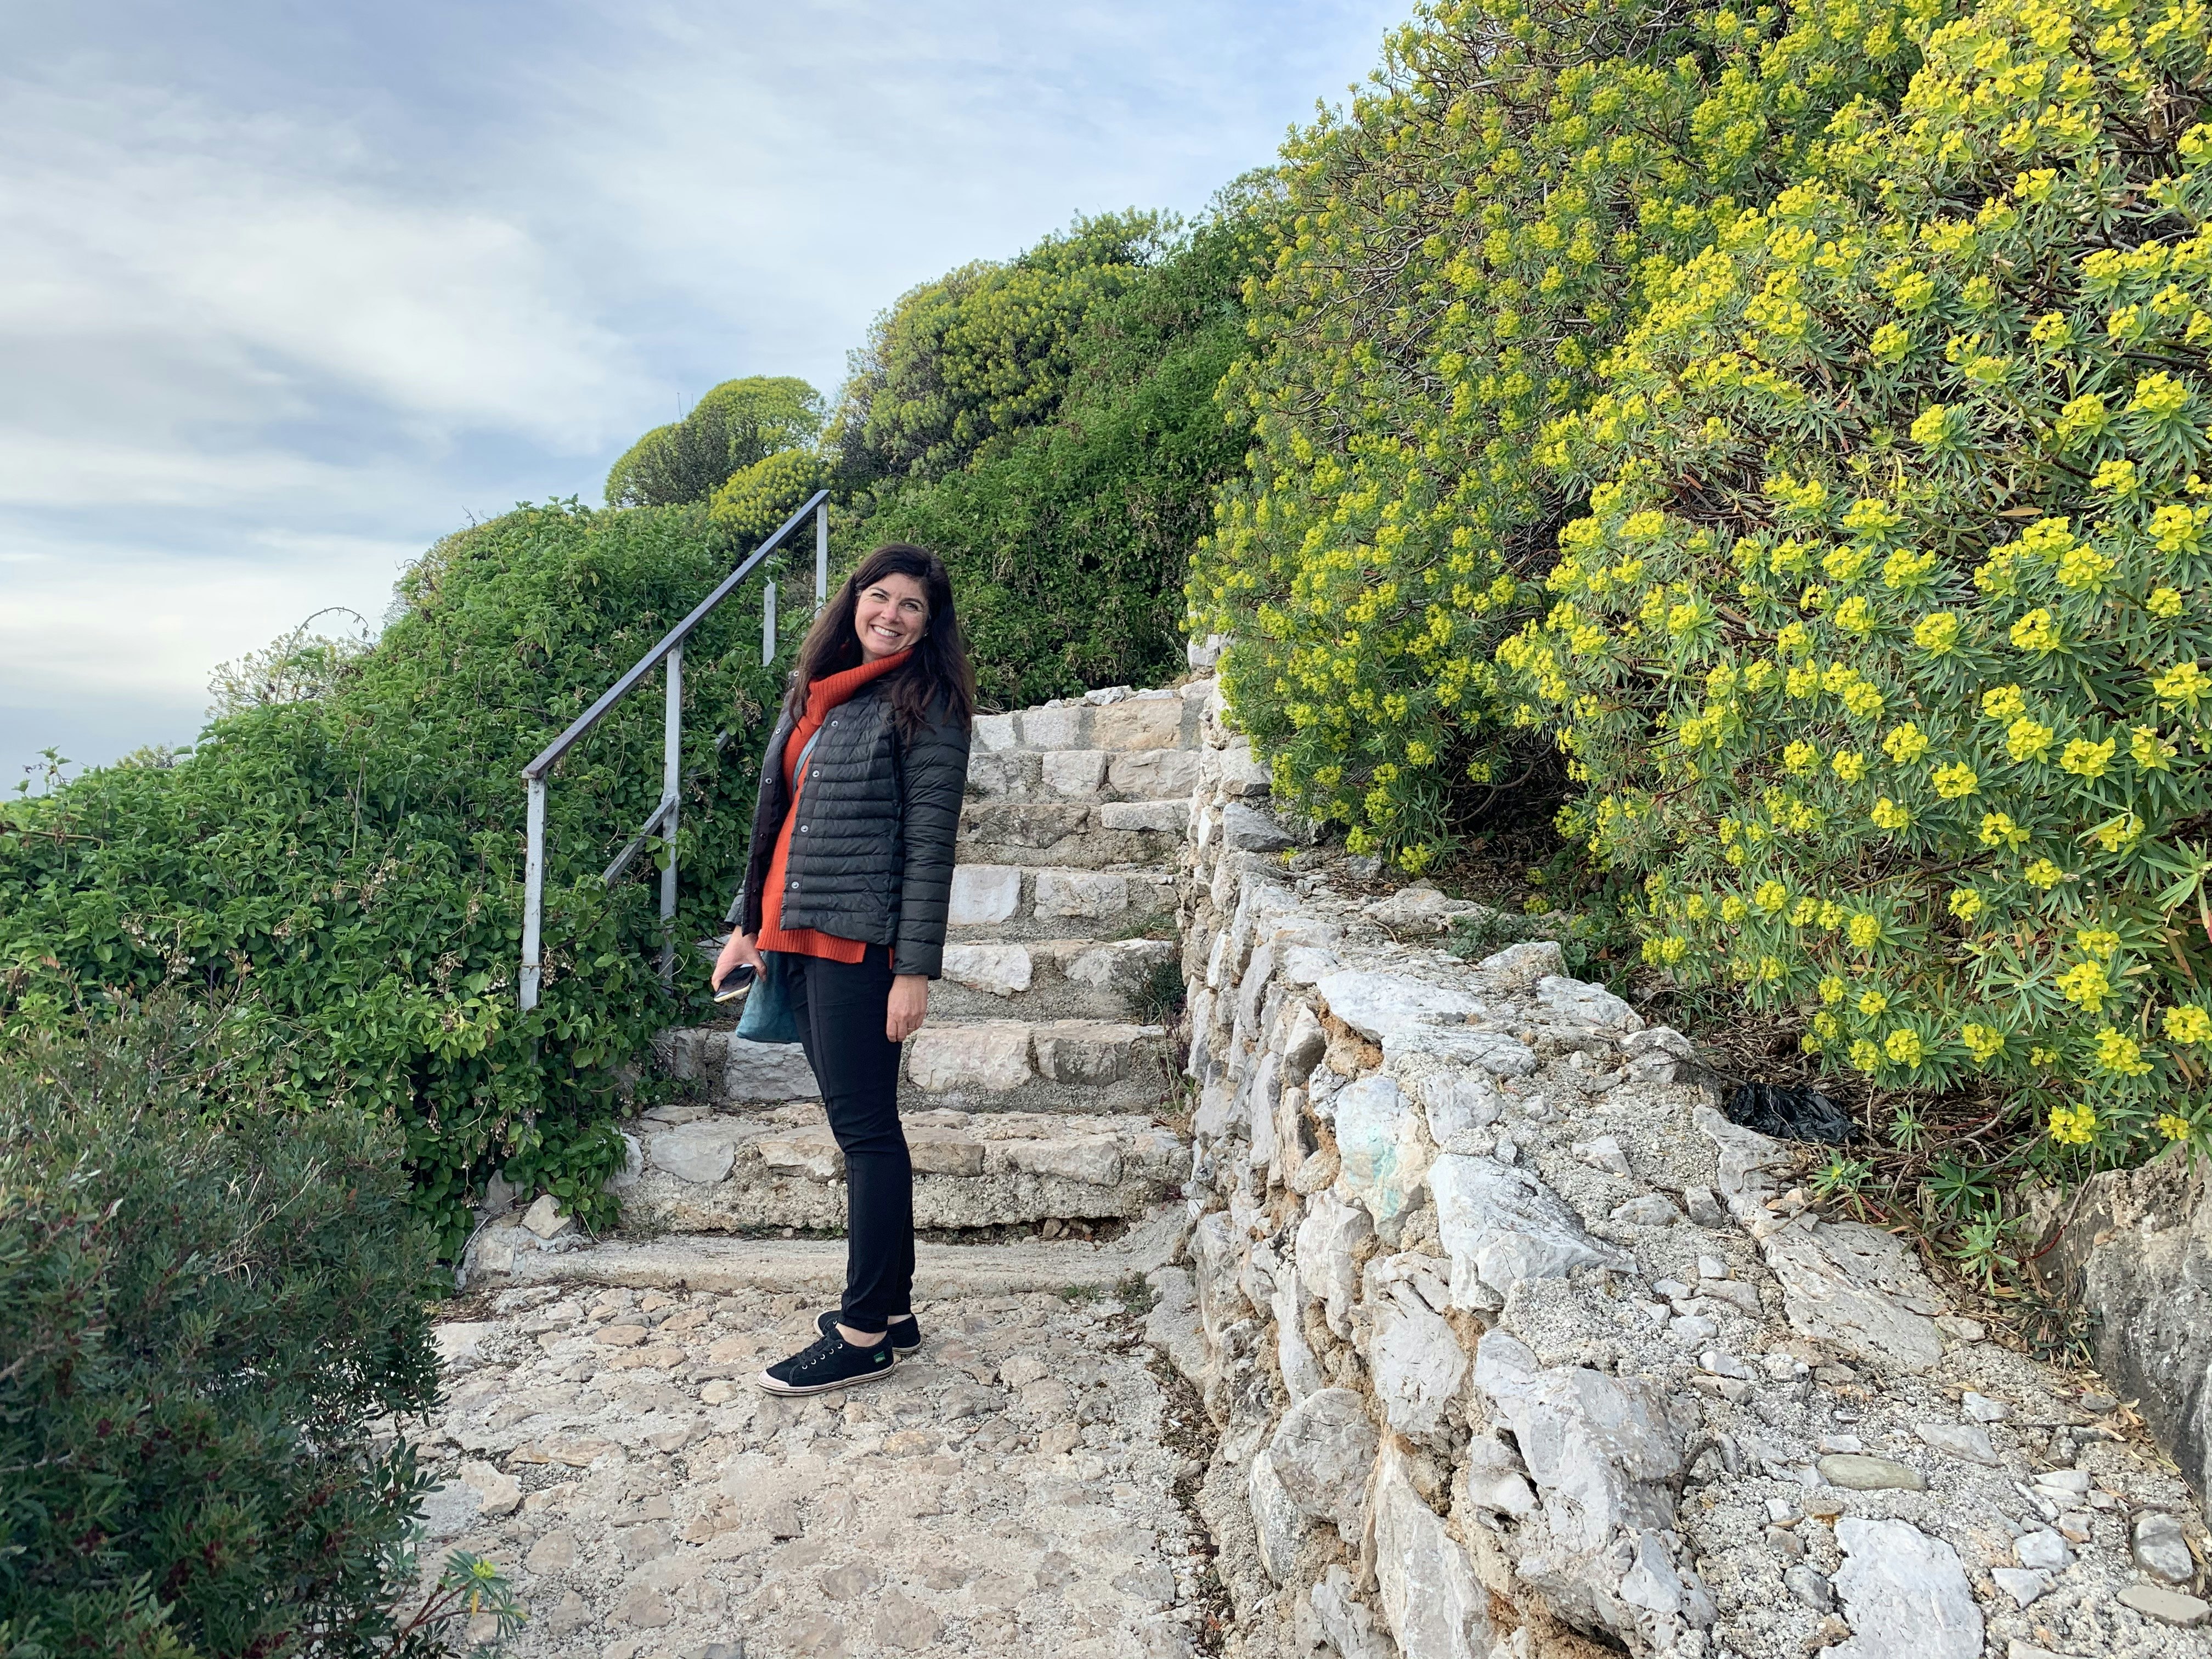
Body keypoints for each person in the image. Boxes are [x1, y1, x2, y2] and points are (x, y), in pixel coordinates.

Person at [712, 543, 974, 1396]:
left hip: (863, 947)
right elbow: (776, 818)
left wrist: (914, 971)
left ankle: (861, 1330)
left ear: (929, 627)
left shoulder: (927, 704)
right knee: (862, 1130)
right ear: (853, 599)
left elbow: (930, 848)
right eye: (880, 597)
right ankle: (893, 1317)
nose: (891, 615)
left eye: (912, 607)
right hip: (796, 933)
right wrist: (747, 926)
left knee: (867, 1134)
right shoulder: (815, 695)